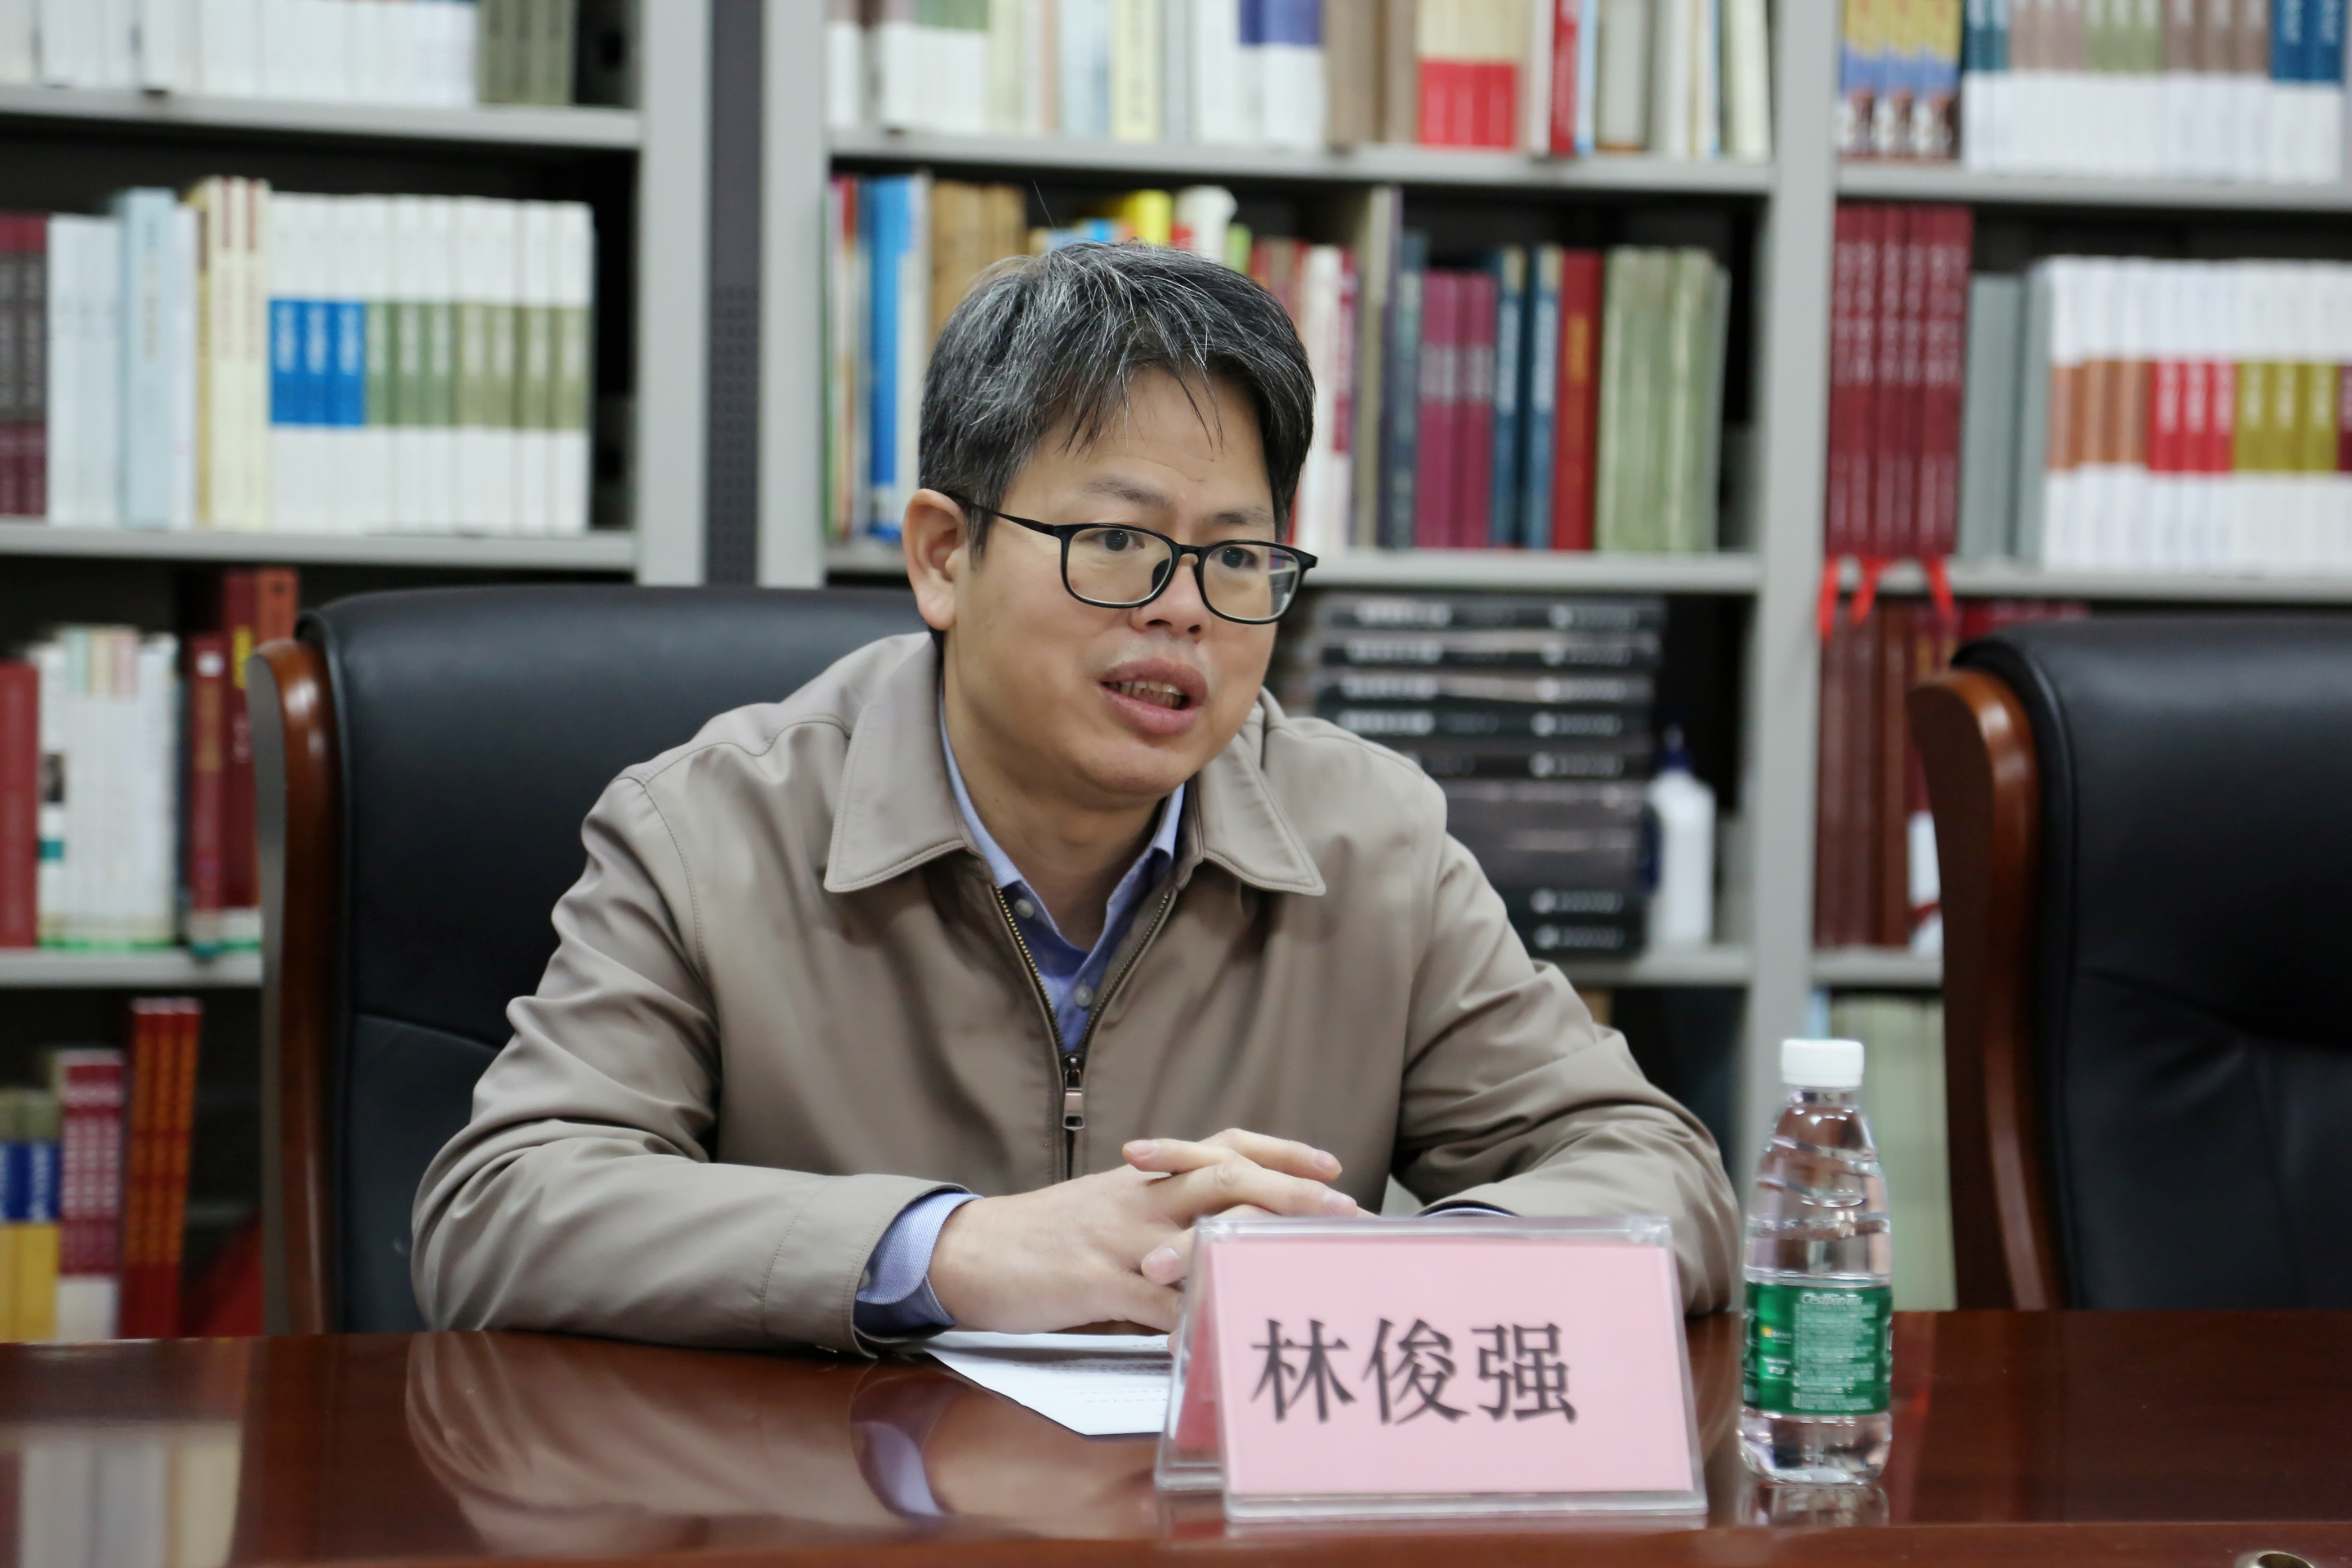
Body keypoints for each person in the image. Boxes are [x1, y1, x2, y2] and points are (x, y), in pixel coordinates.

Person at [412, 243, 1739, 1352]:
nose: (1183, 610)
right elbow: (503, 1212)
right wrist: (953, 1251)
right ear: (945, 556)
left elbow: (1656, 1172)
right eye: (1116, 541)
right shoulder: (711, 828)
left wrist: (1405, 1273)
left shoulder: (1368, 836)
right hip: (837, 1514)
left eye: (1238, 557)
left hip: (1216, 1523)